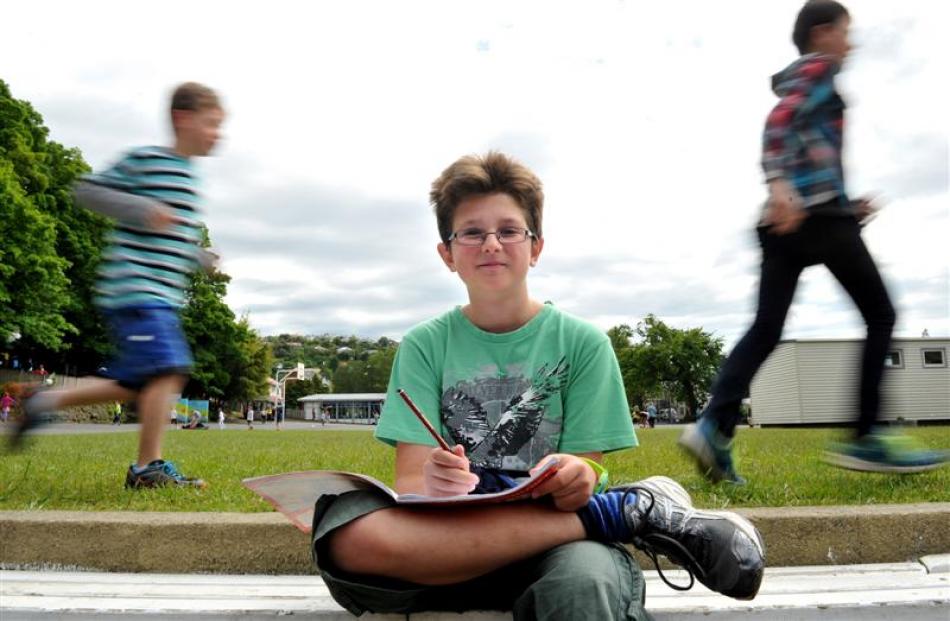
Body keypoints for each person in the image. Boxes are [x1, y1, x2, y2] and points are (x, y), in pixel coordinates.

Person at [310, 152, 765, 620]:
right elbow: (409, 482)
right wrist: (434, 482)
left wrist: (580, 477)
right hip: (448, 545)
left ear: (536, 247)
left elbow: (586, 472)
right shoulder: (424, 345)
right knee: (344, 536)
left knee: (584, 583)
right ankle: (626, 514)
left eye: (509, 230)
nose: (491, 244)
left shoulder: (583, 343)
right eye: (472, 232)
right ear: (447, 253)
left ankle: (609, 516)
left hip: (557, 547)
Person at [679, 0, 946, 484]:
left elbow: (802, 141)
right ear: (823, 33)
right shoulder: (819, 68)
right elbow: (780, 122)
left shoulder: (809, 74)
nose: (852, 42)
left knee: (766, 329)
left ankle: (713, 426)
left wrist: (845, 206)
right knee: (881, 314)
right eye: (847, 31)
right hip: (809, 215)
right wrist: (781, 184)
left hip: (796, 220)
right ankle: (866, 434)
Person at [10, 82, 225, 490]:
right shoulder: (147, 160)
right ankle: (147, 468)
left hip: (160, 296)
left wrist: (199, 257)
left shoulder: (188, 177)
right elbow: (86, 190)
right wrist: (142, 207)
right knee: (170, 367)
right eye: (212, 123)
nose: (217, 134)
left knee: (139, 381)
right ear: (183, 118)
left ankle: (46, 401)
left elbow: (173, 239)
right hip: (135, 290)